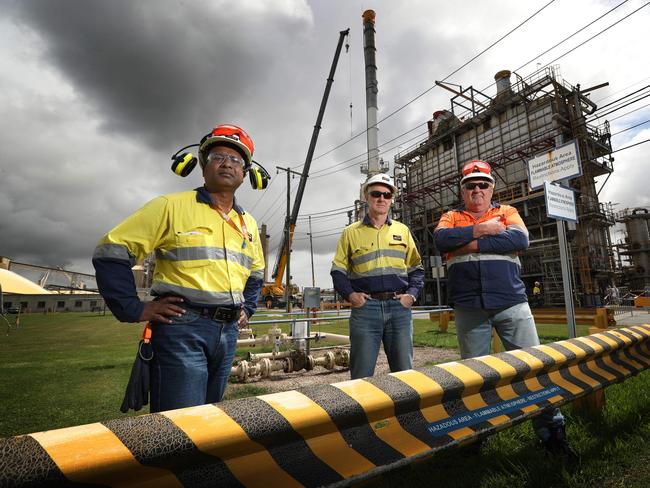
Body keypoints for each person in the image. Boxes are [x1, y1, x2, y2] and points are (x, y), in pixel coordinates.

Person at [93, 124, 265, 412]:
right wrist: (132, 307)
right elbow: (111, 250)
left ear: (246, 174)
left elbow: (256, 273)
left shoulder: (248, 223)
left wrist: (247, 307)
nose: (226, 163)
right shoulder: (169, 206)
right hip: (183, 327)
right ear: (202, 166)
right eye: (217, 156)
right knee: (182, 423)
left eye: (236, 159)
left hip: (229, 331)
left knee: (213, 418)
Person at [434, 159, 574, 457]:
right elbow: (441, 240)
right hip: (469, 305)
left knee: (533, 368)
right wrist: (483, 229)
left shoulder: (507, 212)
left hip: (511, 302)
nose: (477, 190)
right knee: (475, 376)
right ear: (462, 190)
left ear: (491, 188)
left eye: (483, 185)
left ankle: (552, 431)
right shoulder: (450, 216)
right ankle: (476, 435)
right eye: (470, 185)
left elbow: (520, 239)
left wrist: (469, 242)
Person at [331, 173, 424, 379]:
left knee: (405, 374)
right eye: (376, 194)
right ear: (366, 196)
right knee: (361, 375)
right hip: (366, 310)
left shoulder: (403, 230)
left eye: (387, 194)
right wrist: (350, 295)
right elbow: (337, 271)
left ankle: (404, 412)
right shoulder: (351, 232)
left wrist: (412, 296)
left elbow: (416, 269)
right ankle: (359, 411)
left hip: (398, 308)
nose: (382, 198)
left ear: (392, 199)